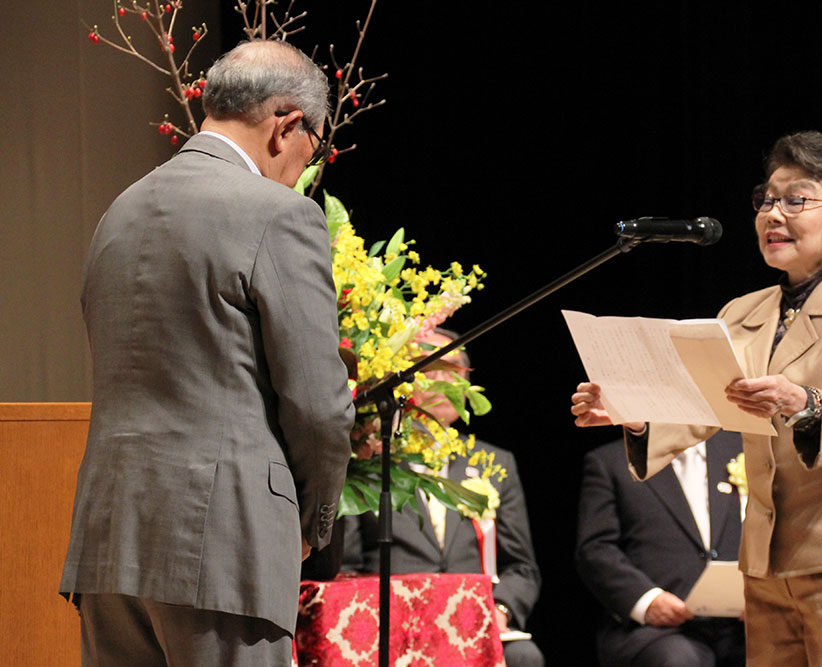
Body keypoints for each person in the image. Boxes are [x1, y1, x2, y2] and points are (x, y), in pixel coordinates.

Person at [571, 131, 822, 665]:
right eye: (766, 198)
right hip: (767, 562)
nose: (772, 214)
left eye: (795, 199)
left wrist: (799, 400)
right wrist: (634, 415)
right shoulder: (742, 311)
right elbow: (702, 407)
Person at [59, 40, 356, 666]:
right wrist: (313, 524)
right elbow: (320, 407)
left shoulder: (119, 211)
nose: (307, 165)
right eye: (315, 147)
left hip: (109, 541)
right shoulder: (280, 215)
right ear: (287, 125)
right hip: (224, 544)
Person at [342, 331, 545, 667]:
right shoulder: (368, 458)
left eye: (451, 370)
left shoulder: (495, 464)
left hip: (473, 622)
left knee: (524, 657)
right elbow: (346, 569)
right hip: (392, 627)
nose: (440, 381)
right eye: (428, 369)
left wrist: (500, 611)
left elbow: (522, 568)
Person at [576, 431, 745, 667]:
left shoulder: (741, 448)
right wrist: (647, 600)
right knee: (678, 660)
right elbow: (595, 549)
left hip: (741, 624)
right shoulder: (612, 461)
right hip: (656, 630)